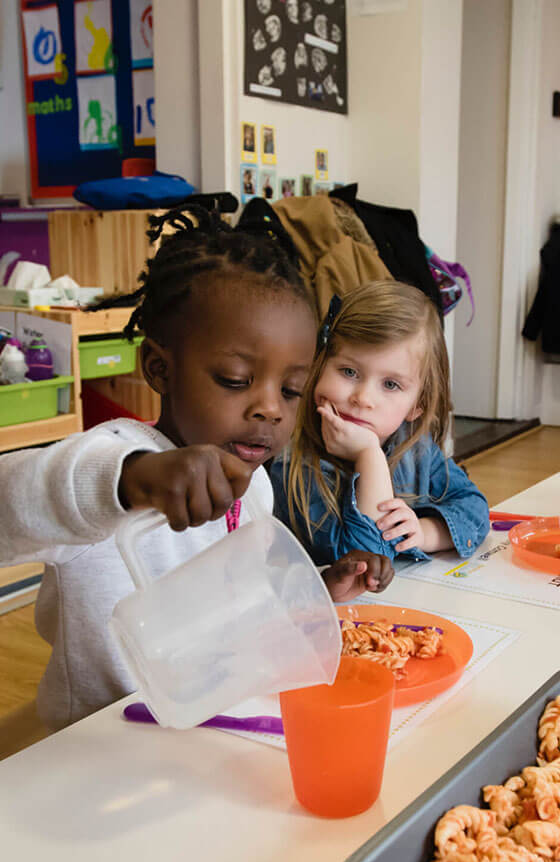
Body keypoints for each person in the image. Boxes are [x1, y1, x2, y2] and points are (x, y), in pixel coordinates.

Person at [0, 207, 393, 731]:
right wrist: (130, 480)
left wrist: (318, 588)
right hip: (95, 750)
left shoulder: (254, 492)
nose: (271, 409)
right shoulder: (111, 463)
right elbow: (13, 501)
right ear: (160, 368)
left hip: (201, 731)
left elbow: (233, 616)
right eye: (235, 379)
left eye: (291, 389)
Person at [272, 281, 490, 566]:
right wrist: (369, 456)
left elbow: (474, 508)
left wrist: (427, 532)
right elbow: (367, 562)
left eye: (390, 384)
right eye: (349, 371)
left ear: (417, 405)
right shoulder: (293, 466)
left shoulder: (415, 448)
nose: (363, 398)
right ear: (319, 365)